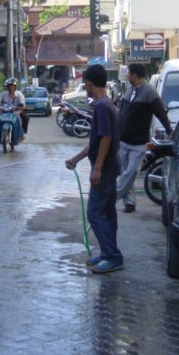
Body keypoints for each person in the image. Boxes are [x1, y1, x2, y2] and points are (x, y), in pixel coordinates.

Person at [65, 64, 123, 274]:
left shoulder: (101, 107)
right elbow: (96, 141)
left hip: (106, 166)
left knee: (94, 212)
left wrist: (97, 168)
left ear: (89, 84)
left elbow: (106, 138)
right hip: (109, 163)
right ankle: (108, 253)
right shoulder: (106, 104)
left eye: (86, 85)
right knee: (107, 211)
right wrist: (76, 159)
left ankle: (112, 256)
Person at [117, 63, 172, 213]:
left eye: (129, 73)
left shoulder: (149, 92)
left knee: (131, 172)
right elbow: (121, 112)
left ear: (134, 75)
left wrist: (169, 130)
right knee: (124, 172)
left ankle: (111, 197)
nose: (127, 76)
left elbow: (161, 113)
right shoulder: (129, 89)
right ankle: (129, 202)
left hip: (139, 142)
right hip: (123, 139)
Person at [0, 78, 25, 146]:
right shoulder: (3, 94)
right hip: (4, 112)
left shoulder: (19, 94)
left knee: (18, 119)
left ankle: (20, 135)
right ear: (7, 87)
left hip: (15, 112)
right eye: (9, 86)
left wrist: (19, 107)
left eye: (12, 86)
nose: (11, 87)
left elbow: (22, 104)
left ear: (15, 87)